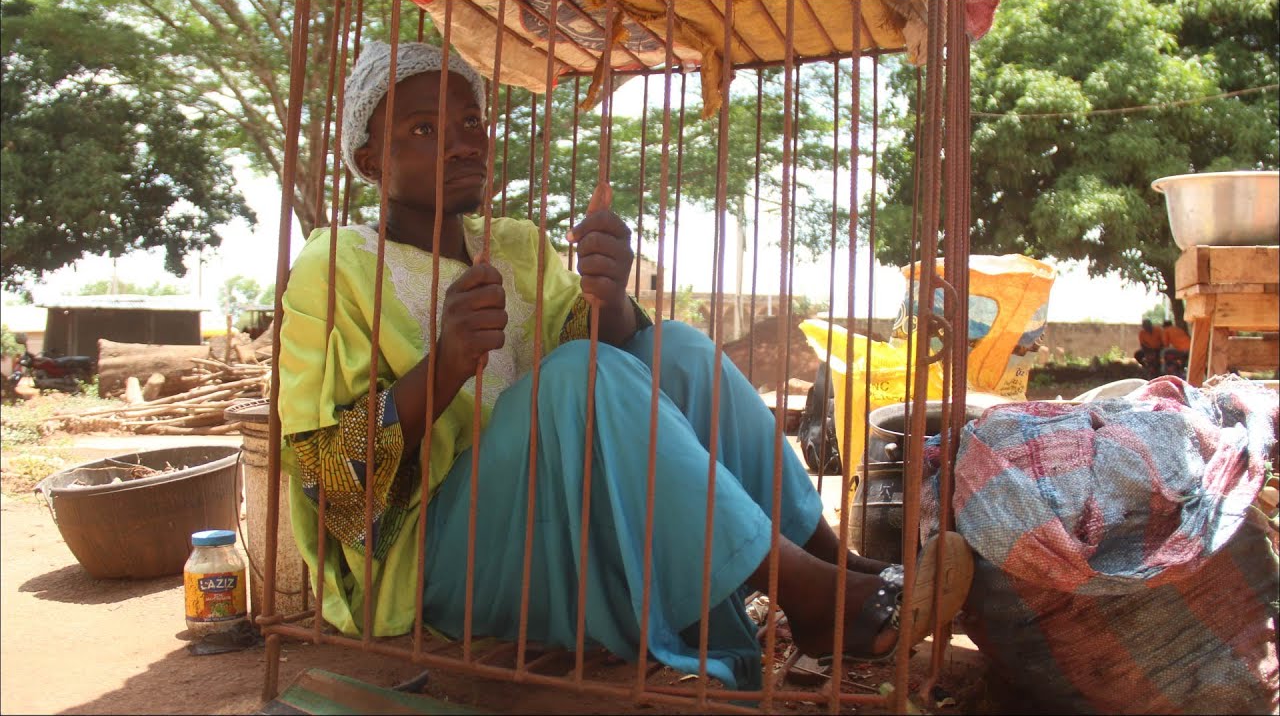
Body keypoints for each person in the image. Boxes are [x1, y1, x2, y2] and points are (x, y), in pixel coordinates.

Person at [277, 41, 972, 691]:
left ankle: (839, 565)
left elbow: (615, 360)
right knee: (576, 374)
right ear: (369, 162)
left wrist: (609, 296)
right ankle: (815, 597)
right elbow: (329, 487)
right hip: (438, 563)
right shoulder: (334, 268)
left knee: (680, 349)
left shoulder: (515, 246)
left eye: (470, 121)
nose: (463, 142)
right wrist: (447, 364)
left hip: (560, 518)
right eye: (425, 130)